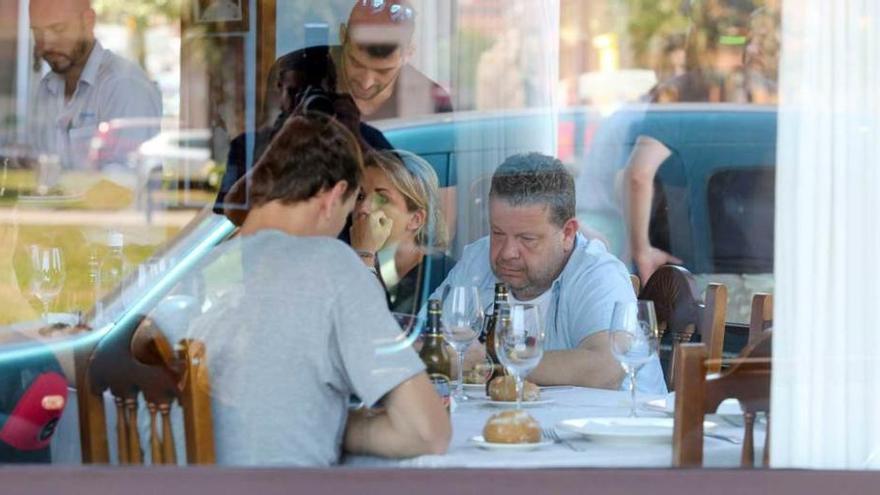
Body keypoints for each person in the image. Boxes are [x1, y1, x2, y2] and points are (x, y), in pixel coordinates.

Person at [170, 114, 450, 466]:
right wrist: (335, 421)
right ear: (333, 198)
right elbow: (427, 432)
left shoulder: (208, 266)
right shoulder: (331, 263)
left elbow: (144, 342)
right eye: (352, 208)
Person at [430, 153, 666, 393]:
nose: (508, 252)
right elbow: (423, 342)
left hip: (611, 426)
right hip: (515, 423)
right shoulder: (477, 260)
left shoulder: (598, 273)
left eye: (527, 239)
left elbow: (606, 369)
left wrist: (492, 360)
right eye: (498, 233)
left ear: (567, 233)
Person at [625, 2, 778, 283]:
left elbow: (637, 175)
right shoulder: (769, 97)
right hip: (771, 263)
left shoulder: (677, 94)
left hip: (701, 267)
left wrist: (641, 250)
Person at [27, 0, 162, 171]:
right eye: (37, 32)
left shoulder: (124, 85)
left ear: (88, 21)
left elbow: (125, 186)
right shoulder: (46, 87)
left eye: (58, 29)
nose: (46, 44)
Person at [350, 150, 452, 315]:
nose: (363, 208)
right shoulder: (345, 264)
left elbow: (367, 327)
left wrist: (364, 256)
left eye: (382, 199)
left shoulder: (443, 278)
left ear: (416, 219)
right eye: (360, 196)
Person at [332, 0, 453, 120]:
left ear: (408, 54)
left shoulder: (432, 103)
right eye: (356, 64)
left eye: (383, 71)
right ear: (342, 36)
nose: (366, 83)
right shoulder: (316, 74)